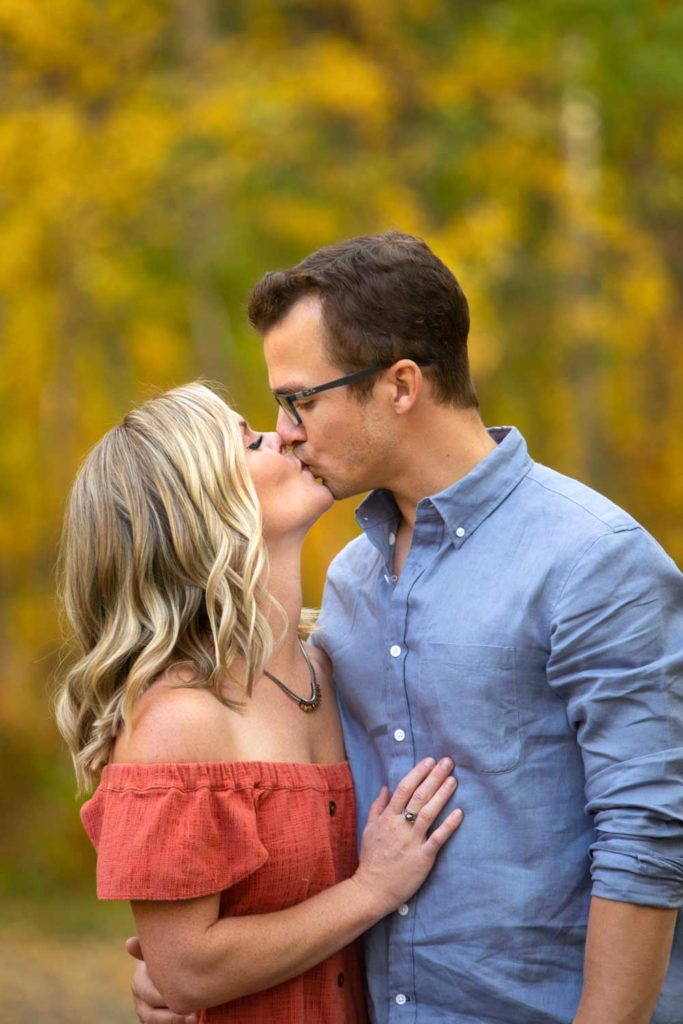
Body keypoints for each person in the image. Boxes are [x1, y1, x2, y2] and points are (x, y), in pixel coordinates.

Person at [132, 232, 683, 1024]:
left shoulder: (592, 561)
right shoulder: (351, 581)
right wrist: (193, 968)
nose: (285, 429)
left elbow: (649, 839)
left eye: (300, 399)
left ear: (398, 386)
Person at [55, 382, 464, 1023]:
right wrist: (372, 890)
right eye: (250, 442)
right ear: (198, 511)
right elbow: (188, 971)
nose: (287, 435)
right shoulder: (177, 720)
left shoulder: (334, 666)